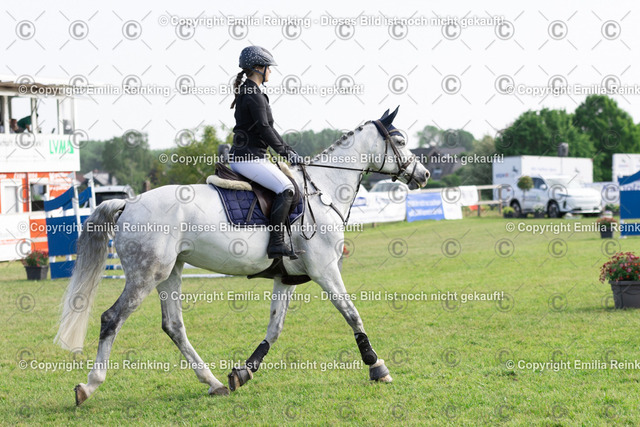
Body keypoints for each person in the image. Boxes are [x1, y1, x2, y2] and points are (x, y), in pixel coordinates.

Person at [229, 46, 304, 259]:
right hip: (249, 158)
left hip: (249, 157)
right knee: (287, 188)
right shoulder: (253, 94)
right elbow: (265, 129)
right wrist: (287, 154)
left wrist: (287, 150)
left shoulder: (250, 91)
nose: (270, 71)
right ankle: (276, 243)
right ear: (258, 68)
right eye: (268, 67)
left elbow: (267, 128)